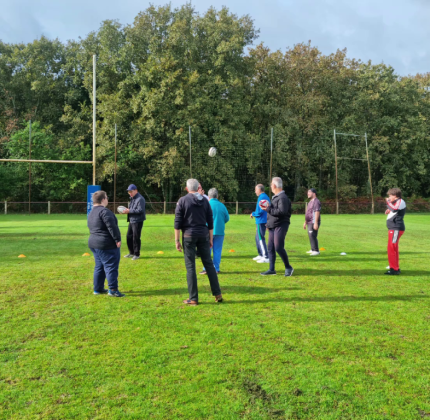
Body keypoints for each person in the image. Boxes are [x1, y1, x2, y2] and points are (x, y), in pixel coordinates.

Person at [174, 179, 223, 305]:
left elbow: (177, 223)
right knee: (209, 264)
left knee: (190, 266)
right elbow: (210, 222)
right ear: (198, 188)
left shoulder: (183, 201)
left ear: (187, 188)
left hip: (189, 236)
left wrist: (177, 240)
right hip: (203, 235)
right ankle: (217, 293)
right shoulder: (206, 202)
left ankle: (193, 298)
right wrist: (211, 239)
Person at [87, 190, 124, 297]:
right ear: (103, 199)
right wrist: (117, 239)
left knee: (99, 266)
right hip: (105, 244)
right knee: (110, 266)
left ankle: (97, 289)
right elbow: (112, 227)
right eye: (107, 197)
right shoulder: (105, 212)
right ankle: (113, 289)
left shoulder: (91, 212)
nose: (107, 199)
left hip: (94, 243)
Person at [259, 177, 294, 276]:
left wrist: (267, 208)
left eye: (271, 185)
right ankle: (271, 269)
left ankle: (288, 267)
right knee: (270, 247)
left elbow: (282, 212)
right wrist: (268, 224)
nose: (270, 187)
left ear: (274, 185)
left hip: (280, 225)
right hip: (273, 226)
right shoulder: (276, 197)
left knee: (278, 247)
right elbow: (273, 213)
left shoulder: (282, 198)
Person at [199, 188, 230, 275]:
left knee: (207, 250)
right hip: (220, 231)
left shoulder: (206, 204)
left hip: (207, 231)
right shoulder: (222, 205)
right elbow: (227, 218)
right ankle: (216, 268)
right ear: (217, 196)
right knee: (217, 250)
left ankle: (206, 268)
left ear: (208, 196)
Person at [385, 188, 406, 275]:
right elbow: (394, 209)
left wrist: (388, 202)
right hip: (393, 229)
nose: (389, 197)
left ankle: (394, 269)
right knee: (393, 248)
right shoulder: (397, 202)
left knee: (391, 248)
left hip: (396, 229)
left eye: (390, 195)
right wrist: (389, 210)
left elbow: (395, 208)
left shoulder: (400, 201)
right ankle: (395, 268)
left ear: (395, 195)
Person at [123, 184, 146, 260]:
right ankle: (131, 252)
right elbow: (132, 209)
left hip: (138, 221)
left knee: (136, 237)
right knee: (129, 236)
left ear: (136, 190)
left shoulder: (140, 199)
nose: (129, 193)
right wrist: (127, 210)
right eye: (128, 192)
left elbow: (140, 210)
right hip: (132, 220)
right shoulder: (132, 198)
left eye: (131, 191)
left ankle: (137, 254)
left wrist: (129, 211)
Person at [250, 184, 270, 263]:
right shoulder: (262, 197)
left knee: (261, 238)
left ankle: (265, 256)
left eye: (255, 190)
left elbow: (261, 211)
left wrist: (253, 214)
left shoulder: (262, 197)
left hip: (261, 220)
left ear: (259, 190)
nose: (255, 192)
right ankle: (261, 254)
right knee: (257, 237)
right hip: (260, 220)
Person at [303, 188, 321, 256]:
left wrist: (316, 222)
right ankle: (313, 249)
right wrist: (305, 222)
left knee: (312, 235)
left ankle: (316, 250)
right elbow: (308, 212)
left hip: (313, 221)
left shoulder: (316, 201)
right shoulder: (310, 201)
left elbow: (317, 212)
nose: (308, 193)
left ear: (314, 193)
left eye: (309, 192)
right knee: (311, 235)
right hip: (310, 221)